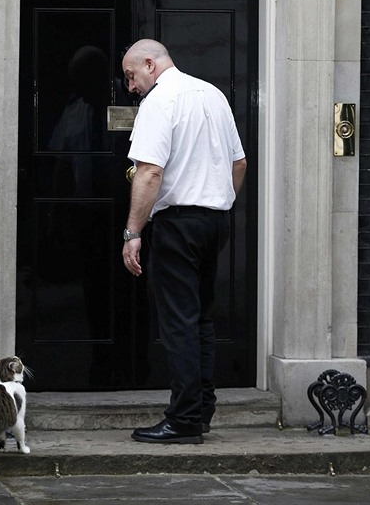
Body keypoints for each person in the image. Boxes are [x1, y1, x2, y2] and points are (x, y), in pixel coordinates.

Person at [121, 39, 247, 444]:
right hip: (215, 221)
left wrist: (133, 233)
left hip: (178, 225)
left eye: (130, 76)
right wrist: (221, 202)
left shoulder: (160, 102)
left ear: (149, 64)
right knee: (201, 319)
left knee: (179, 323)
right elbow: (239, 163)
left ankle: (185, 418)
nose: (130, 86)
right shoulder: (212, 95)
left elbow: (149, 173)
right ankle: (202, 410)